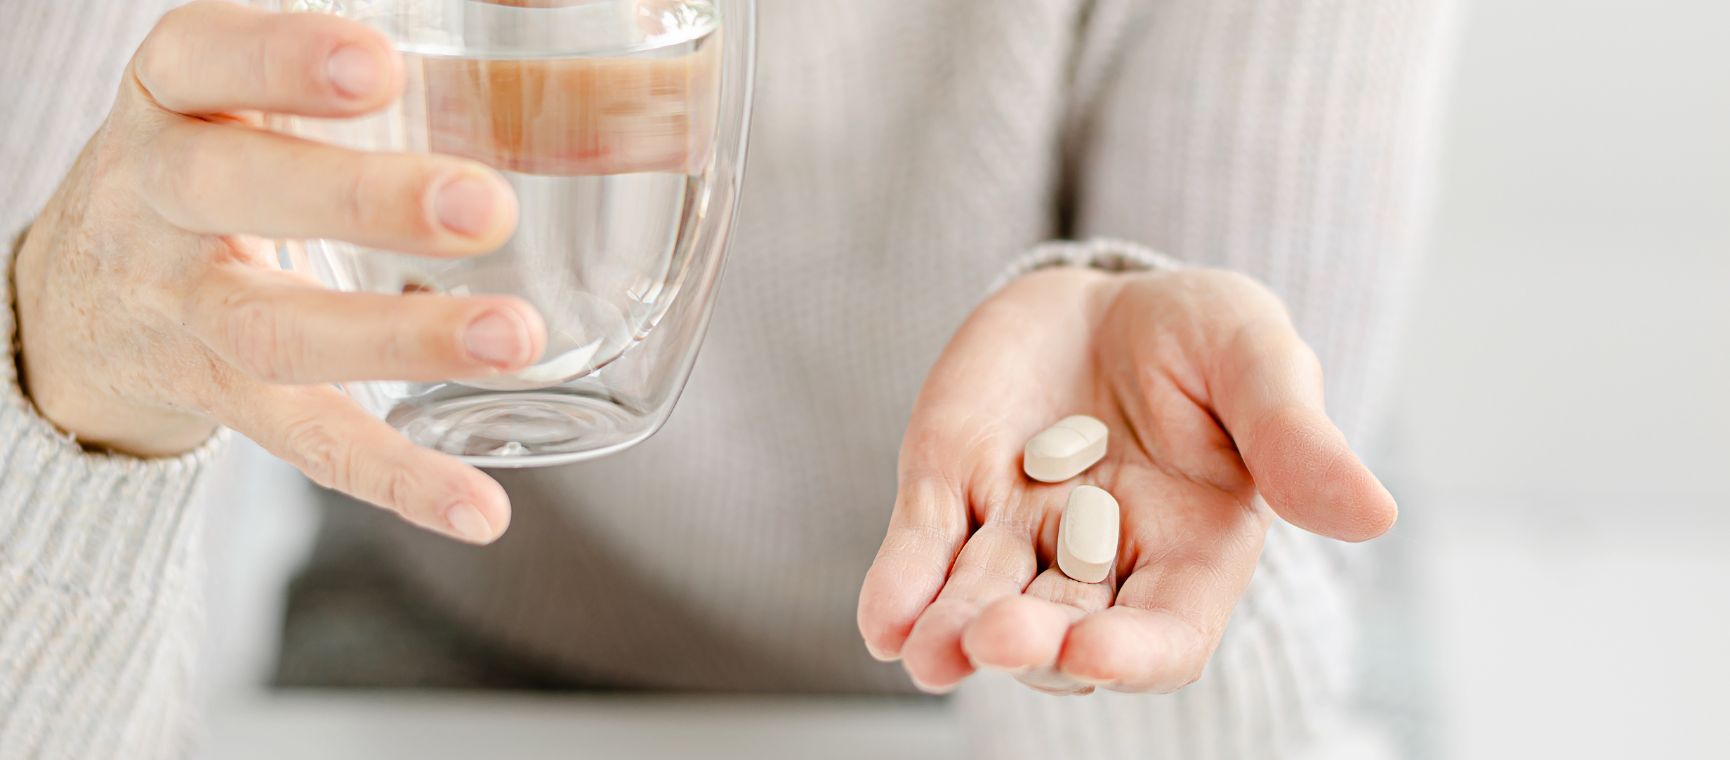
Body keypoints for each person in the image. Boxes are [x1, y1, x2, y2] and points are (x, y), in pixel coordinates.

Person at [0, 0, 1453, 756]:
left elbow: (1187, 663)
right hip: (467, 647)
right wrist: (77, 392)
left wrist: (1123, 548)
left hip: (1190, 710)